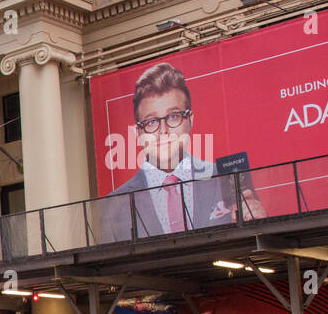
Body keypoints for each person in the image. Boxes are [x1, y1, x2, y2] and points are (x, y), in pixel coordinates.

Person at [102, 63, 266, 242]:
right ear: (138, 133)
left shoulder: (225, 178)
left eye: (173, 116)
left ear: (191, 120)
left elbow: (257, 242)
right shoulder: (113, 205)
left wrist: (260, 222)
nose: (163, 131)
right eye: (151, 122)